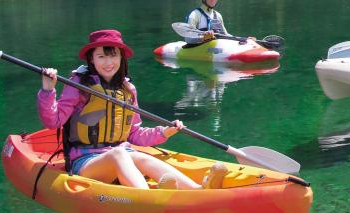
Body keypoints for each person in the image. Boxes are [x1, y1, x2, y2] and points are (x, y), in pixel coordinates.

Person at [38, 29, 217, 190]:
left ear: (121, 58)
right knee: (119, 153)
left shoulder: (127, 90)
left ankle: (196, 190)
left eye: (113, 56)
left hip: (123, 155)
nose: (108, 62)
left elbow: (134, 134)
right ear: (91, 59)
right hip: (85, 161)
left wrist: (165, 132)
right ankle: (146, 197)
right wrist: (47, 90)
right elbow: (53, 121)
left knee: (142, 158)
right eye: (101, 57)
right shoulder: (79, 84)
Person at [186, 0, 256, 46]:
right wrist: (203, 38)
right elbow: (188, 40)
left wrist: (244, 39)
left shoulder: (218, 15)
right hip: (199, 49)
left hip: (216, 48)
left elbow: (225, 35)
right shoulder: (194, 15)